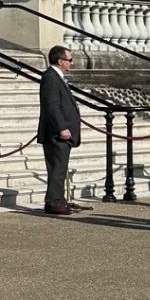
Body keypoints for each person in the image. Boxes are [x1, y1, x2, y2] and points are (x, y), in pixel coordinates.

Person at [39, 43, 84, 215]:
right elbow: (52, 106)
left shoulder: (57, 77)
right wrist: (62, 128)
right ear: (60, 61)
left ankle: (60, 199)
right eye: (69, 60)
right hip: (56, 134)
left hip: (61, 133)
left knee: (60, 168)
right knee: (57, 168)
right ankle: (53, 202)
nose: (71, 63)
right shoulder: (51, 77)